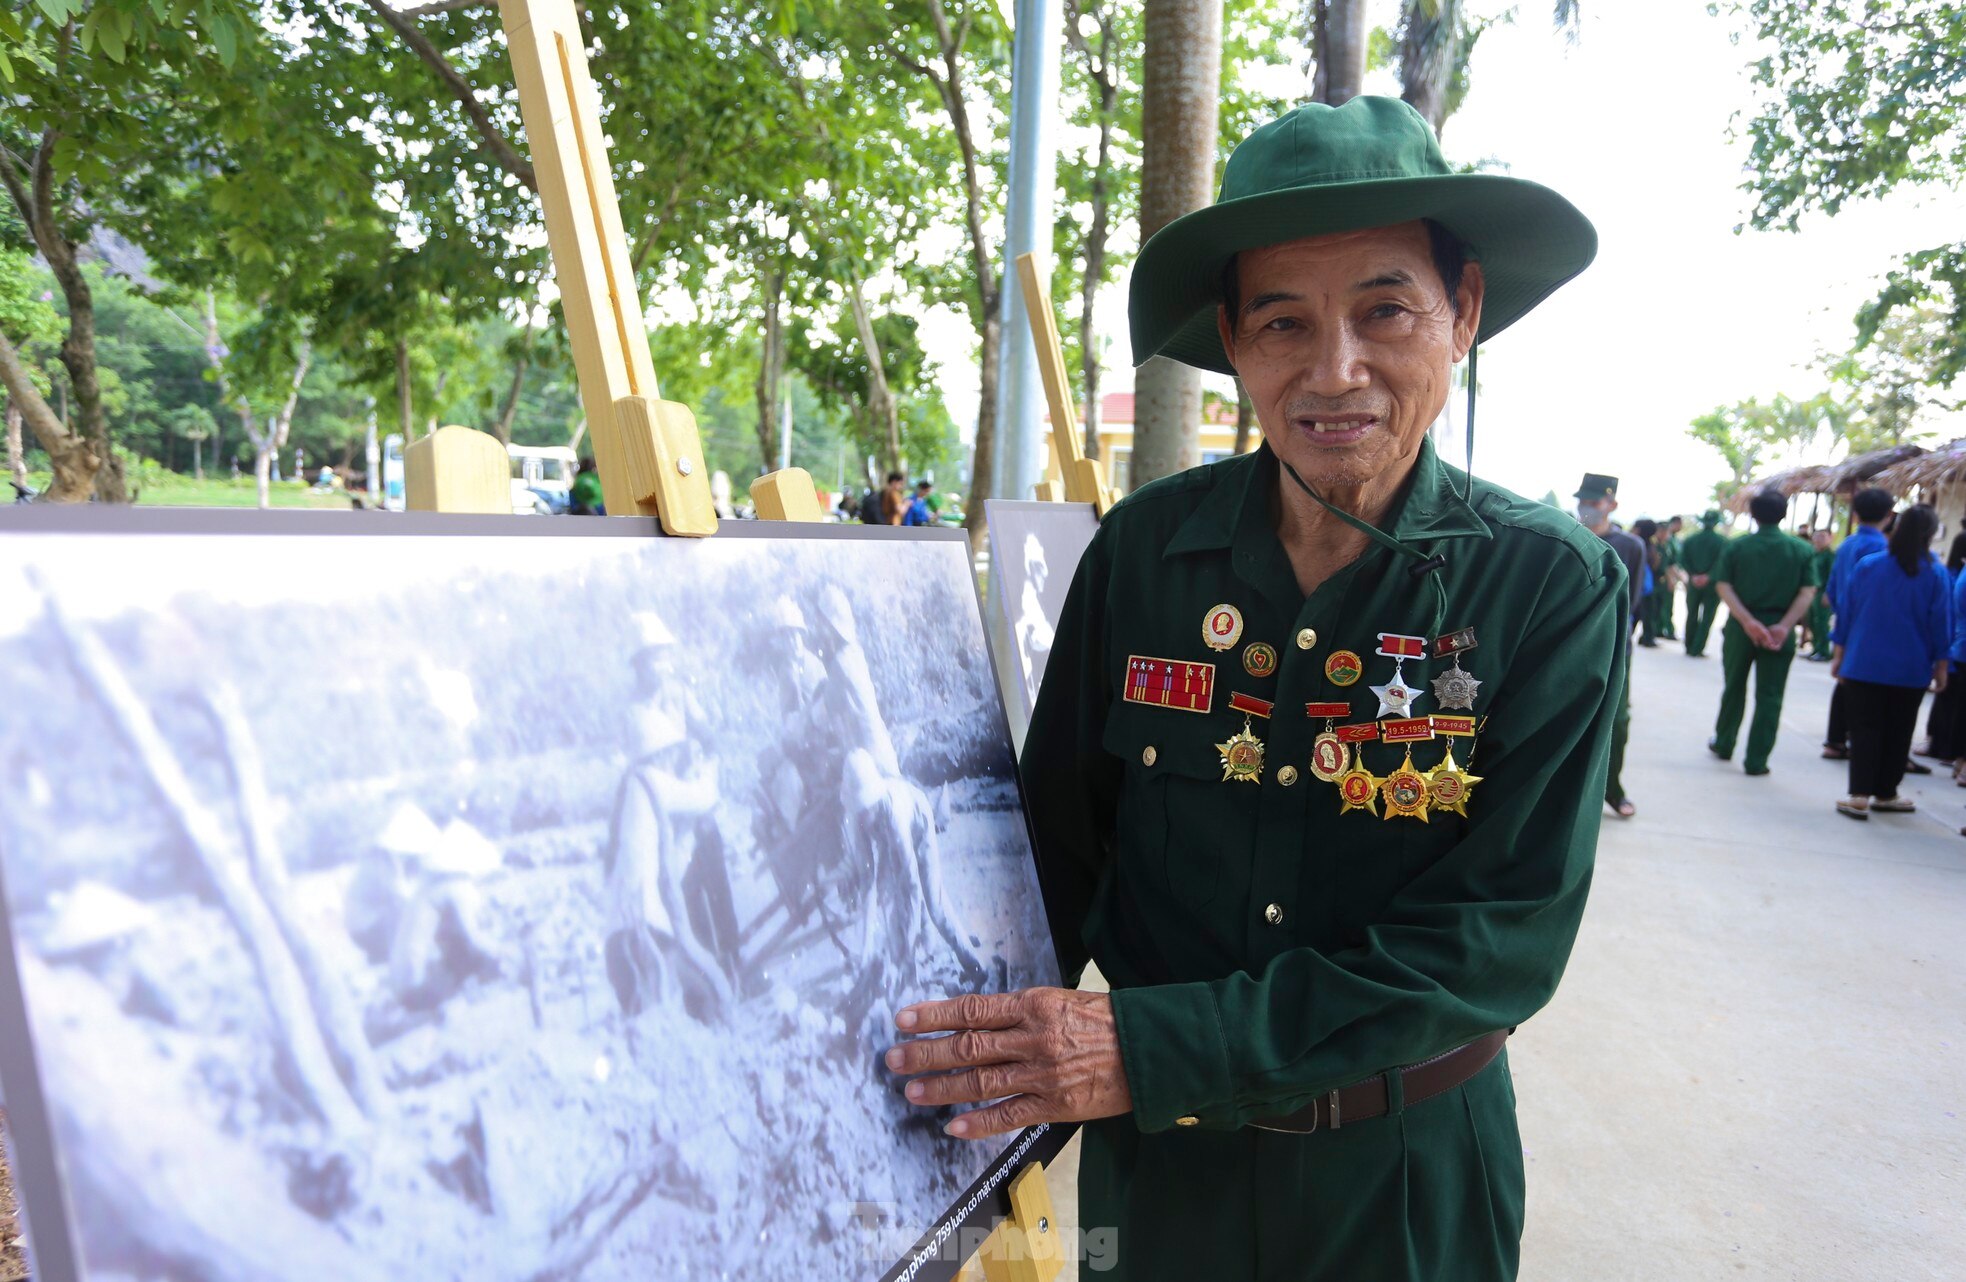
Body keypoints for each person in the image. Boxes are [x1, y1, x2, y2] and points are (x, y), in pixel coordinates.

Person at [886, 96, 1619, 1281]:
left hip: (1406, 1185)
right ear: (1232, 340)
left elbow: (1491, 946)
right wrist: (950, 1114)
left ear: (1463, 311)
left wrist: (1152, 1043)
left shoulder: (1548, 584)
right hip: (1158, 1178)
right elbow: (1045, 860)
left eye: (1385, 309)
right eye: (1283, 322)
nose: (1336, 371)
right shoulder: (1140, 552)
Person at [1831, 503, 1950, 819]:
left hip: (1864, 663)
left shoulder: (1869, 565)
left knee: (1864, 729)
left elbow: (1847, 613)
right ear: (1931, 533)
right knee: (1899, 731)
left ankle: (1858, 795)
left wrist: (1839, 654)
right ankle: (1886, 793)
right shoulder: (1935, 573)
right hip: (1909, 670)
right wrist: (1941, 668)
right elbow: (1941, 625)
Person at [1706, 489, 1819, 776]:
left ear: (1752, 514)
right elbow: (1807, 592)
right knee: (1770, 696)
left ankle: (1724, 742)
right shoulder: (1802, 550)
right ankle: (1756, 760)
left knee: (1734, 687)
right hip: (1780, 629)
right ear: (1783, 514)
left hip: (1741, 628)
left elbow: (1723, 586)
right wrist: (1783, 626)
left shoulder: (1737, 547)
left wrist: (1747, 622)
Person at [1578, 475, 1646, 817]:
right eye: (1584, 500)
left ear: (1612, 505)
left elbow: (1630, 601)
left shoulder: (1630, 545)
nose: (1587, 507)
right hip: (1569, 644)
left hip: (1615, 645)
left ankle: (1612, 789)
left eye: (1595, 502)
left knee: (1616, 722)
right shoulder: (1565, 535)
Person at [1821, 487, 1895, 759]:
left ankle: (1836, 738)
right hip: (1867, 625)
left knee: (1845, 680)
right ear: (1889, 515)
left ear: (1855, 513)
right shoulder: (1881, 548)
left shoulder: (1847, 544)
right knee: (1863, 686)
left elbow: (1831, 588)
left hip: (1845, 619)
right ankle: (1849, 737)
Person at [1916, 530, 1966, 760]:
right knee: (1954, 701)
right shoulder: (1950, 575)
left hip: (1954, 643)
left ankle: (1941, 746)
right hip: (1957, 644)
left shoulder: (1950, 573)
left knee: (1948, 699)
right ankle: (1953, 753)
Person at [1679, 509, 1728, 656]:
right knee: (1707, 617)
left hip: (1693, 583)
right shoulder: (1723, 542)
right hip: (1712, 585)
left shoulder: (1690, 540)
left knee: (1691, 614)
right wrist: (1709, 576)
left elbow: (1683, 560)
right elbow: (1723, 563)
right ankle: (1697, 648)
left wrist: (1694, 575)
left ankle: (1688, 645)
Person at [1803, 528, 1836, 660]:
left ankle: (1824, 651)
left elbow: (1833, 576)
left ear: (1829, 538)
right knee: (1812, 621)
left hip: (1823, 592)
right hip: (1812, 592)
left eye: (1823, 536)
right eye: (1817, 536)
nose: (1819, 539)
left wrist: (1828, 593)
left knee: (1822, 622)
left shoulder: (1830, 556)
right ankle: (1816, 648)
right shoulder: (1813, 554)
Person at [1631, 517, 1661, 647]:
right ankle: (1647, 638)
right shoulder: (1652, 548)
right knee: (1647, 614)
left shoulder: (1635, 546)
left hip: (1637, 588)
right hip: (1647, 589)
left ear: (1638, 530)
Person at [1656, 515, 1684, 640]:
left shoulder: (1669, 544)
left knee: (1666, 606)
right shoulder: (1656, 545)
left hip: (1666, 580)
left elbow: (1672, 563)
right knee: (1658, 607)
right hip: (1658, 580)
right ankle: (1659, 629)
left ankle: (1665, 629)